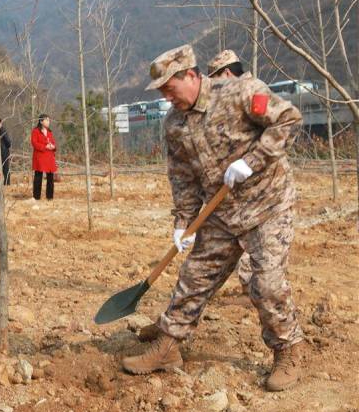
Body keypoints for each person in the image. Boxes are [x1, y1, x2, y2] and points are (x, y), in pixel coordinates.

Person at [122, 44, 304, 392]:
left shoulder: (239, 92)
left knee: (265, 284)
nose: (166, 97)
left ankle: (288, 349)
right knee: (195, 276)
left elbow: (289, 119)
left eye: (169, 89)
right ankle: (168, 346)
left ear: (191, 75)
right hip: (220, 214)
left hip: (267, 204)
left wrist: (251, 161)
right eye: (160, 92)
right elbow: (183, 178)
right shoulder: (174, 124)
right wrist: (182, 223)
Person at [209, 49, 253, 297]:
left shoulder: (252, 93)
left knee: (251, 242)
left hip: (256, 185)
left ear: (226, 73)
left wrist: (248, 162)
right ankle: (251, 289)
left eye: (214, 79)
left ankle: (255, 290)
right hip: (235, 187)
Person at [31, 114, 57, 200]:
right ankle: (36, 197)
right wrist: (44, 147)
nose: (48, 122)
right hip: (40, 157)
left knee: (50, 177)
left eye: (49, 120)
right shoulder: (35, 131)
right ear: (41, 121)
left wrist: (53, 146)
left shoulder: (49, 132)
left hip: (49, 157)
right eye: (47, 120)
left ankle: (50, 197)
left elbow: (53, 142)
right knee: (38, 177)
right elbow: (34, 143)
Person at [0, 118, 12, 185]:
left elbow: (9, 142)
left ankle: (7, 183)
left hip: (4, 153)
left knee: (6, 169)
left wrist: (5, 149)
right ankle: (0, 182)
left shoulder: (3, 130)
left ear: (0, 123)